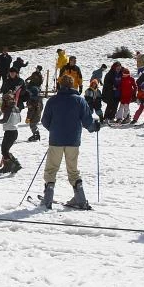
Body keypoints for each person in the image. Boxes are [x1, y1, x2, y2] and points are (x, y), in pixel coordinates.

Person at [40, 74, 100, 210]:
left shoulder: (53, 100)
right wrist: (94, 127)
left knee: (51, 168)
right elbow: (87, 121)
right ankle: (80, 198)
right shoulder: (80, 100)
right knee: (73, 170)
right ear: (73, 85)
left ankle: (47, 198)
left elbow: (44, 121)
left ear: (60, 85)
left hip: (56, 140)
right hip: (73, 140)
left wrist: (54, 129)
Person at [0, 93, 22, 173]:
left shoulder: (9, 108)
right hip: (14, 131)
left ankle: (13, 165)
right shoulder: (16, 108)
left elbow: (5, 120)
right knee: (5, 150)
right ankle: (11, 165)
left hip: (10, 132)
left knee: (4, 150)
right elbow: (19, 120)